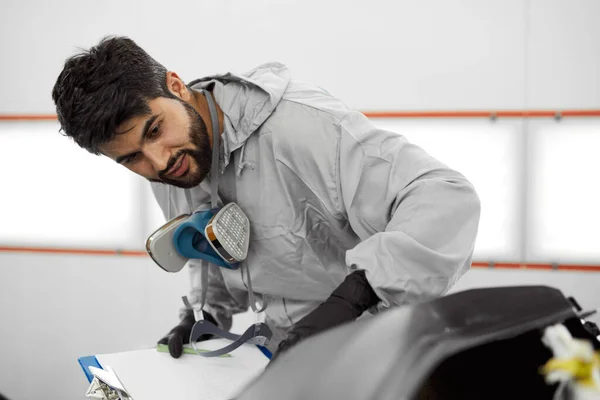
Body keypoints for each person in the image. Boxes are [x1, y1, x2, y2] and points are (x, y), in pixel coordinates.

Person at [52, 36, 481, 361]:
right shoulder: (172, 160)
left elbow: (446, 198)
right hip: (292, 358)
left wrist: (353, 297)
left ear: (176, 86)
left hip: (384, 351)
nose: (159, 163)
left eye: (154, 131)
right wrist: (205, 316)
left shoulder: (302, 128)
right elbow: (210, 245)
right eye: (131, 159)